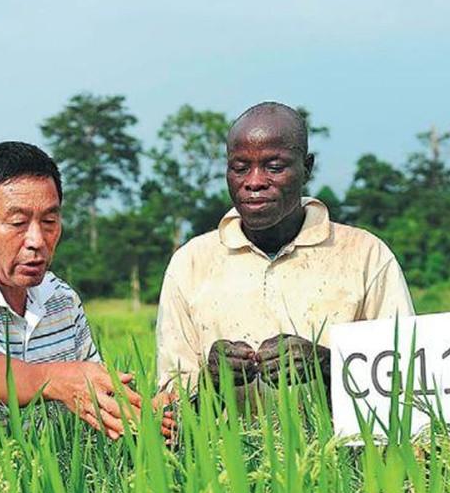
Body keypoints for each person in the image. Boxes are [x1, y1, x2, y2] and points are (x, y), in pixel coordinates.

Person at [0, 142, 173, 460]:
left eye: (49, 222)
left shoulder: (62, 299)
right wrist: (56, 380)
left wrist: (141, 411)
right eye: (18, 223)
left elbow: (93, 389)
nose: (36, 241)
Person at [155, 101, 414, 399]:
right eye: (240, 168)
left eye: (274, 167)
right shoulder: (191, 263)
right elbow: (168, 404)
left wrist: (326, 363)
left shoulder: (365, 254)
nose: (253, 182)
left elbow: (409, 377)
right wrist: (209, 382)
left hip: (340, 446)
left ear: (306, 168)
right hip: (222, 445)